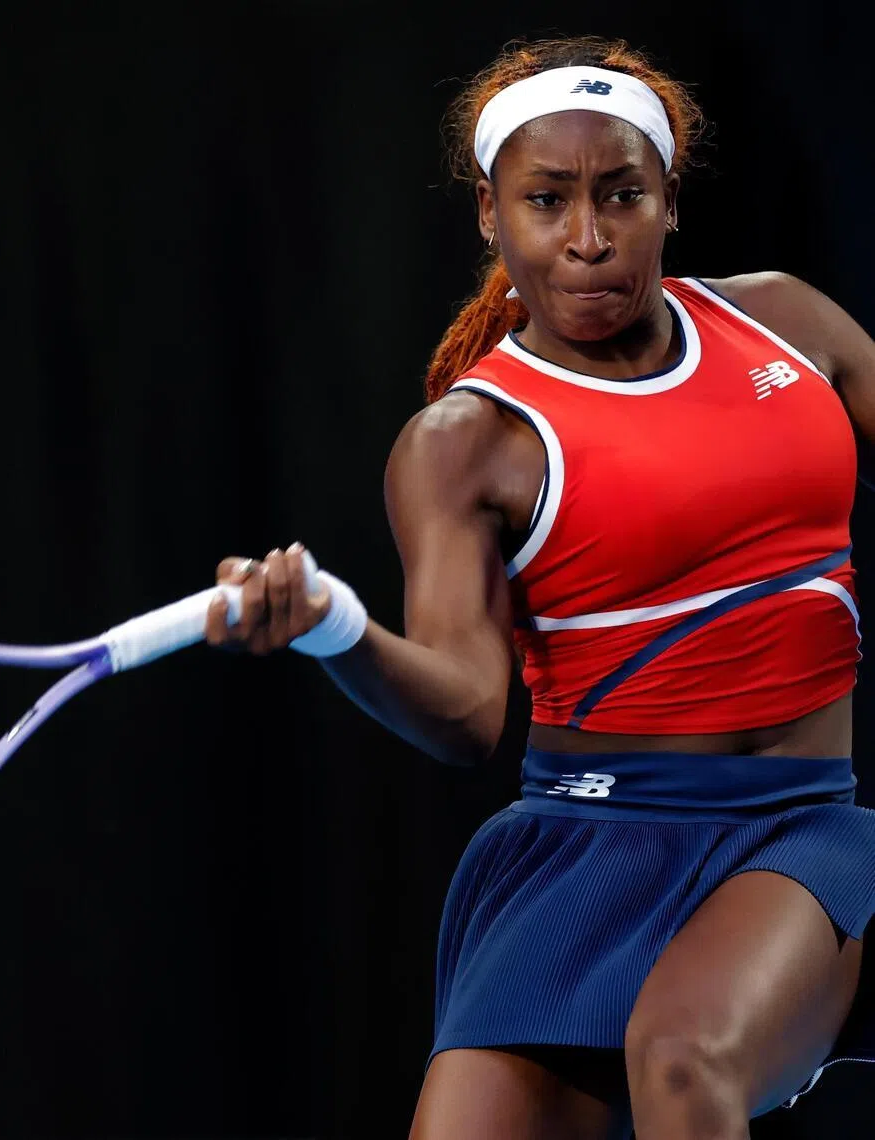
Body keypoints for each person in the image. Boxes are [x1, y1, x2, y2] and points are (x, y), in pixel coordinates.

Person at [204, 34, 875, 1140]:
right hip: (577, 859)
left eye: (622, 195)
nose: (588, 239)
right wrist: (332, 628)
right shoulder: (465, 444)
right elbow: (469, 713)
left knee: (683, 1061)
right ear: (490, 215)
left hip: (791, 831)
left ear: (669, 200)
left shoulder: (788, 330)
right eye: (546, 201)